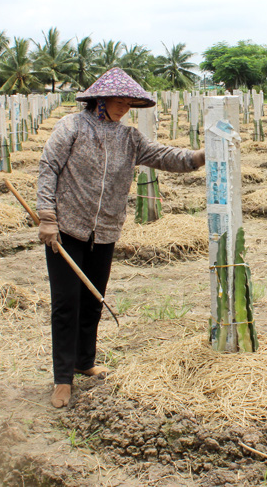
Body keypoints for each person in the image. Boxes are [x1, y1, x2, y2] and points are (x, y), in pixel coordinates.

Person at [36, 67, 205, 408]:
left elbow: (163, 156)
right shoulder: (71, 128)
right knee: (66, 304)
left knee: (93, 299)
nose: (125, 107)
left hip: (106, 231)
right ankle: (62, 378)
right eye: (120, 100)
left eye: (130, 103)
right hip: (66, 230)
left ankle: (85, 362)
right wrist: (47, 218)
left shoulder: (129, 139)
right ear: (100, 98)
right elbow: (48, 168)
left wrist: (198, 158)